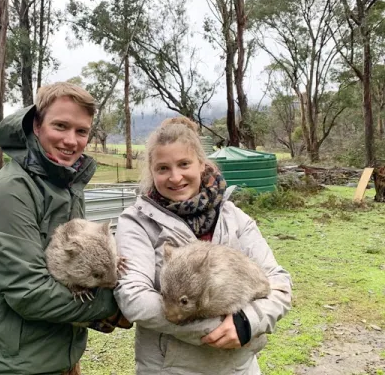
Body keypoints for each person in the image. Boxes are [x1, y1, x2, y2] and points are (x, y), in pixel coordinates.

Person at [114, 117, 292, 375]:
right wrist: (217, 329)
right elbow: (134, 298)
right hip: (169, 368)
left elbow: (278, 283)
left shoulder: (233, 217)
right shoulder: (138, 222)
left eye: (184, 164)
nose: (175, 177)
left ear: (201, 164)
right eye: (163, 168)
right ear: (152, 172)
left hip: (237, 367)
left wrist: (247, 324)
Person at [0, 82, 122, 375]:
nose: (71, 140)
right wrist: (113, 306)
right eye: (60, 126)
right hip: (16, 364)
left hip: (58, 355)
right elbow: (29, 292)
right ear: (36, 126)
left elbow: (72, 272)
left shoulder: (65, 184)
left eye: (82, 131)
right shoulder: (12, 189)